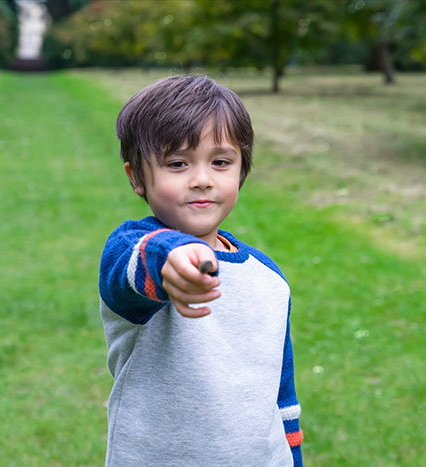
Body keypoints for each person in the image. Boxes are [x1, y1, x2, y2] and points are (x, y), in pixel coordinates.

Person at [98, 75, 302, 466]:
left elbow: (282, 395)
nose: (203, 180)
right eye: (178, 164)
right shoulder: (133, 251)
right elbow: (142, 262)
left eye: (221, 162)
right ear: (135, 177)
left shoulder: (268, 278)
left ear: (241, 169)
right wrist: (175, 260)